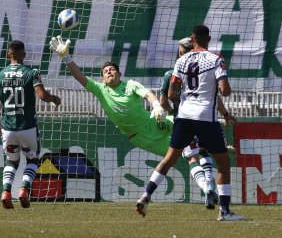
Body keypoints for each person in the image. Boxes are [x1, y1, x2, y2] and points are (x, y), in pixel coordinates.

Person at [49, 35, 217, 209]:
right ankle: (207, 188)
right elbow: (79, 77)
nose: (108, 72)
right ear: (103, 78)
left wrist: (157, 105)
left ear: (119, 73)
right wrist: (66, 57)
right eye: (105, 71)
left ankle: (210, 167)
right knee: (184, 153)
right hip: (142, 137)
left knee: (194, 137)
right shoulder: (100, 90)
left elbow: (147, 94)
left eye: (112, 69)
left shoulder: (130, 85)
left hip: (155, 121)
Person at [136, 25, 245, 221]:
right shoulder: (216, 59)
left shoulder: (182, 61)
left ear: (192, 39)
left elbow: (171, 93)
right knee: (223, 162)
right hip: (205, 117)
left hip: (184, 116)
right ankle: (225, 212)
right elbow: (225, 90)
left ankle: (146, 195)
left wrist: (186, 96)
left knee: (169, 159)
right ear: (208, 39)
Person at [0, 40, 61, 209]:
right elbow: (41, 95)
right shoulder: (31, 72)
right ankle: (24, 190)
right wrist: (54, 98)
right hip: (27, 126)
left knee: (12, 161)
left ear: (8, 54)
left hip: (7, 127)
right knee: (33, 159)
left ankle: (6, 192)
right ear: (24, 54)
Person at [160, 37, 237, 191]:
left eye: (181, 52)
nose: (180, 55)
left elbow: (164, 100)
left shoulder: (172, 72)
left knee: (191, 157)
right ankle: (210, 186)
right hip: (205, 118)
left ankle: (207, 188)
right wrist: (226, 114)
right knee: (207, 152)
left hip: (184, 119)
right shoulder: (207, 68)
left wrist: (173, 112)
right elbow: (216, 95)